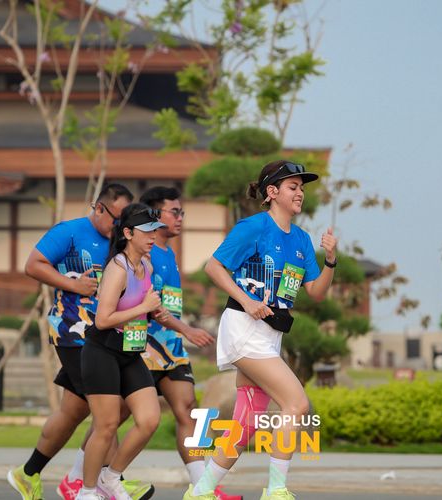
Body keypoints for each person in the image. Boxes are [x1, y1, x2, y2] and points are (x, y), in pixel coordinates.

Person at [184, 160, 338, 500]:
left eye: (301, 188)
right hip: (244, 328)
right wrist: (247, 299)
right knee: (296, 403)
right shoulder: (253, 227)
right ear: (272, 192)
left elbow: (316, 291)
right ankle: (276, 490)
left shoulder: (301, 239)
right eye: (292, 187)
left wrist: (330, 259)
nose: (300, 193)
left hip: (270, 335)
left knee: (247, 422)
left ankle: (201, 491)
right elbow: (214, 267)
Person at [7, 184, 152, 500]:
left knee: (73, 412)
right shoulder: (69, 232)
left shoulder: (121, 244)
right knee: (109, 412)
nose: (119, 226)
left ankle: (29, 473)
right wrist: (73, 285)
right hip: (74, 334)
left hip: (111, 337)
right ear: (99, 208)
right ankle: (107, 479)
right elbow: (33, 265)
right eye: (116, 218)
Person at [138, 187, 240, 500]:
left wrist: (181, 334)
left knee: (187, 411)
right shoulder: (145, 254)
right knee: (115, 417)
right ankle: (91, 477)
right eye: (175, 212)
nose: (181, 218)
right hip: (143, 348)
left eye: (182, 212)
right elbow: (151, 307)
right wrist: (188, 330)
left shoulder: (168, 253)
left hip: (172, 349)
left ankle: (203, 488)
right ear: (154, 215)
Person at [76, 203, 168, 500]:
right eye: (147, 231)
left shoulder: (147, 266)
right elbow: (102, 320)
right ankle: (86, 492)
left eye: (155, 230)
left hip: (130, 349)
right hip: (102, 350)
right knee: (106, 426)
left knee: (149, 419)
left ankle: (111, 477)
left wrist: (153, 311)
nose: (153, 236)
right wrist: (144, 306)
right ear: (128, 233)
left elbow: (141, 306)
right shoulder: (118, 268)